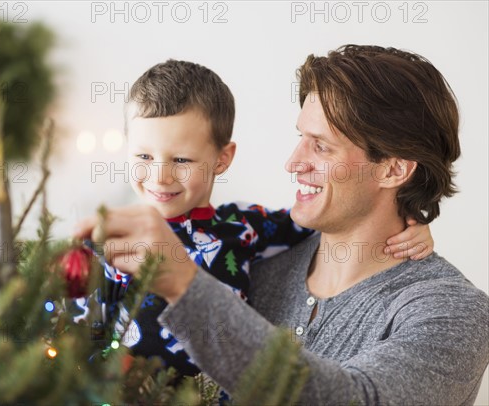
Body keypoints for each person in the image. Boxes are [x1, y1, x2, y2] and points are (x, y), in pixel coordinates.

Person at [76, 45, 489, 404]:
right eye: (300, 138)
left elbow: (355, 399)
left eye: (321, 146)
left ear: (394, 169)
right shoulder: (257, 268)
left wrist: (184, 283)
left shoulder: (451, 312)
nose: (293, 163)